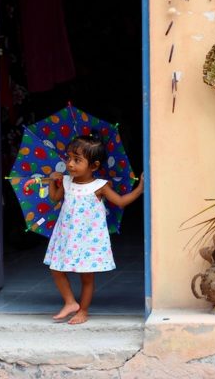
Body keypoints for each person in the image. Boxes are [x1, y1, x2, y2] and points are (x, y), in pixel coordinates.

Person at [44, 135, 144, 324]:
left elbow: (121, 202)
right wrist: (52, 181)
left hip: (88, 240)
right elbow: (55, 198)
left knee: (87, 277)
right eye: (69, 158)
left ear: (94, 166)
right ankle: (70, 302)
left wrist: (139, 189)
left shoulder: (100, 186)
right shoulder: (66, 182)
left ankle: (83, 310)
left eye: (77, 160)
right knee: (56, 269)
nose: (70, 164)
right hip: (66, 236)